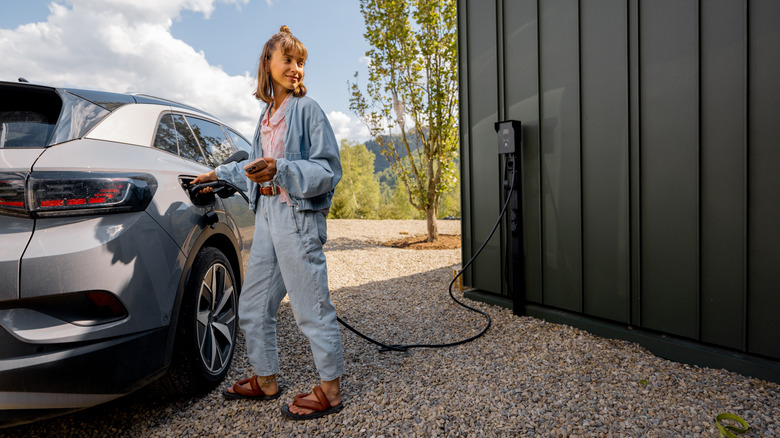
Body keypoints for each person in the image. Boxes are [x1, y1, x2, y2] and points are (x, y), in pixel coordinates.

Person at [190, 25, 344, 420]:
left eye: (301, 62)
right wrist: (218, 174)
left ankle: (330, 389)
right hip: (268, 217)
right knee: (254, 305)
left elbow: (328, 170)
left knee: (310, 305)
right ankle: (266, 379)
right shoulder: (266, 116)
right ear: (268, 64)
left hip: (297, 217)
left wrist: (282, 168)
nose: (296, 69)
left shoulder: (307, 110)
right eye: (288, 60)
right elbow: (253, 167)